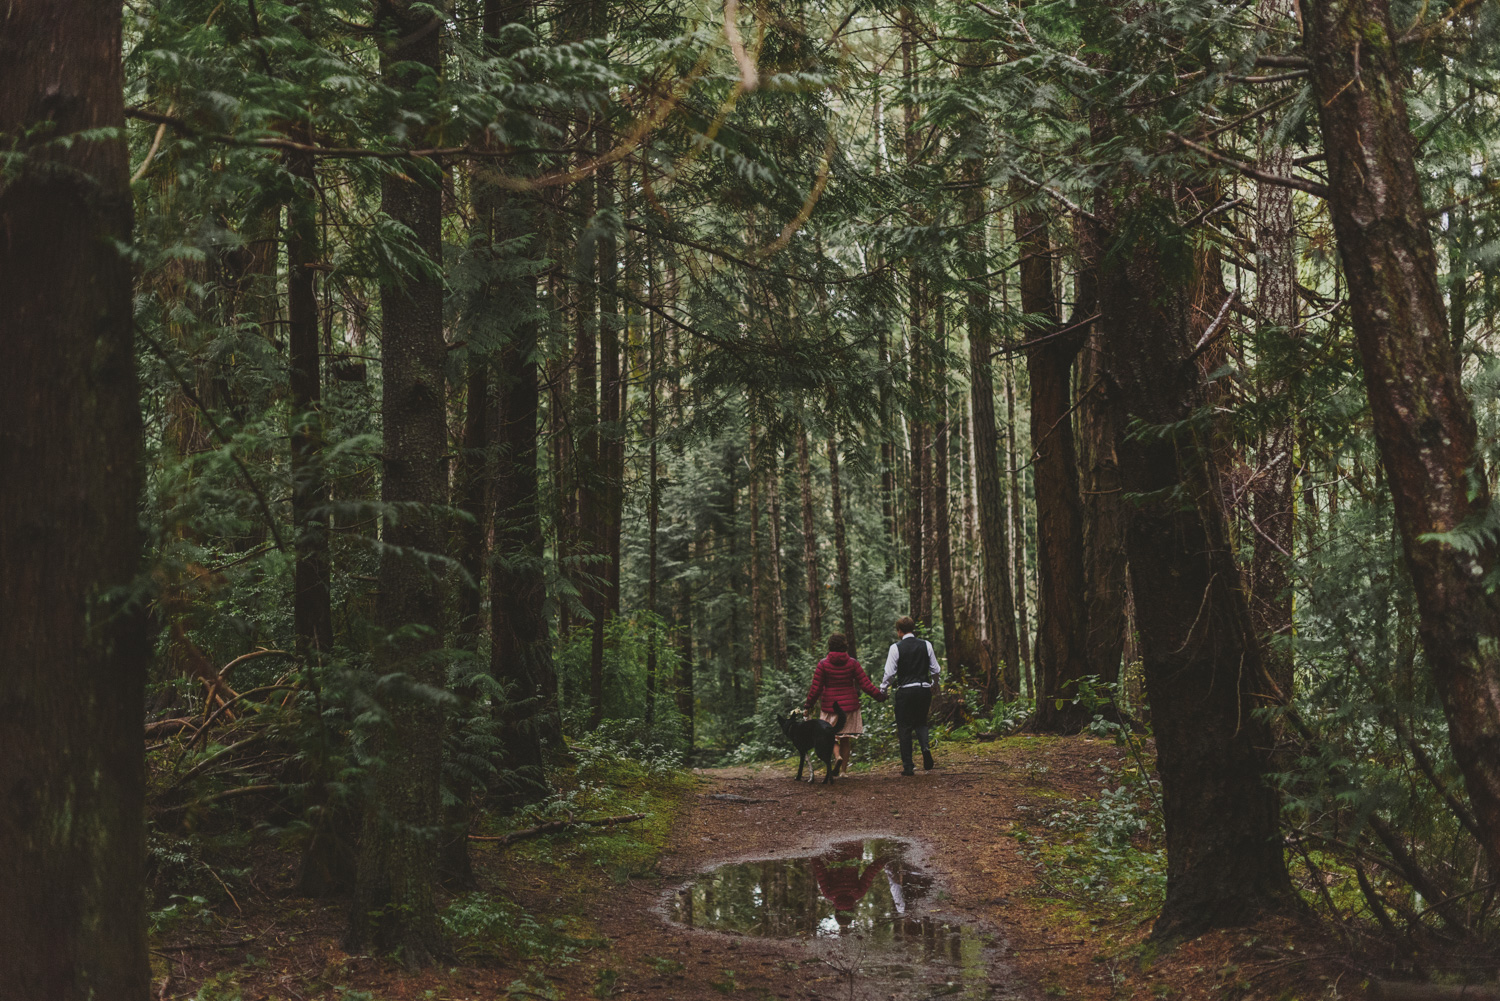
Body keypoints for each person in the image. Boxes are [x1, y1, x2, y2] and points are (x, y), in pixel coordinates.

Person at [803, 633, 886, 776]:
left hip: (830, 707)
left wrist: (808, 705)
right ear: (844, 646)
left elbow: (816, 688)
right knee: (845, 739)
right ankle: (843, 772)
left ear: (830, 646)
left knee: (831, 736)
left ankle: (837, 757)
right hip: (849, 707)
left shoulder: (823, 664)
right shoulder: (853, 663)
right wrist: (879, 696)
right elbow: (865, 684)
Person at [880, 615, 941, 775]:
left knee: (904, 727)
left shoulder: (896, 648)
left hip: (905, 691)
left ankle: (908, 766)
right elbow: (936, 669)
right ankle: (925, 748)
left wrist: (883, 689)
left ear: (899, 631)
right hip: (923, 689)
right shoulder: (926, 645)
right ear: (913, 629)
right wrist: (934, 684)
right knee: (921, 722)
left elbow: (889, 674)